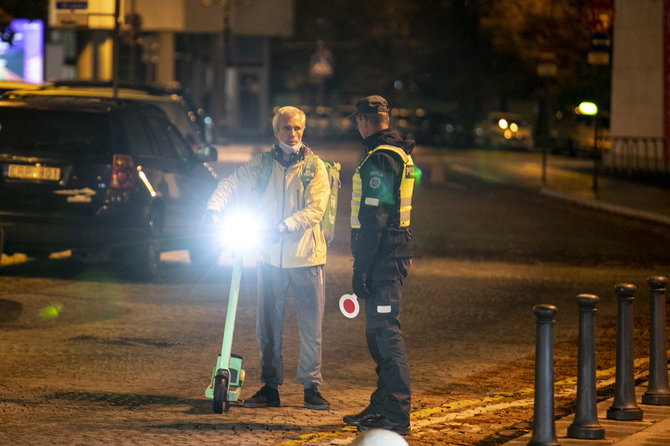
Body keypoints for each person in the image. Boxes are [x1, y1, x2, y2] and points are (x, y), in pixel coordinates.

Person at [205, 106, 331, 410]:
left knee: (310, 328)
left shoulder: (315, 167)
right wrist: (213, 209)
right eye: (287, 128)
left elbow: (316, 208)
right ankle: (269, 387)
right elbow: (231, 184)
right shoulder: (262, 164)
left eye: (298, 128)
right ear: (276, 132)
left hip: (306, 258)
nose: (293, 134)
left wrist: (286, 226)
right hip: (269, 258)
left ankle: (311, 386)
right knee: (267, 329)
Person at [343, 95, 415, 435]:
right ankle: (382, 405)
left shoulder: (381, 157)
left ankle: (396, 414)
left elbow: (375, 217)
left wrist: (362, 268)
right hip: (389, 254)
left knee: (385, 334)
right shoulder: (393, 151)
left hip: (384, 256)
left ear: (363, 120)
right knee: (377, 334)